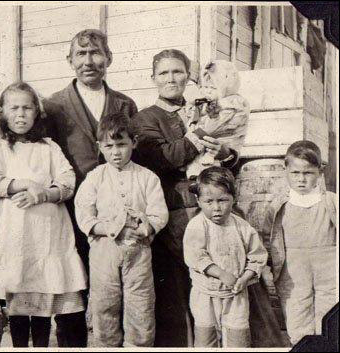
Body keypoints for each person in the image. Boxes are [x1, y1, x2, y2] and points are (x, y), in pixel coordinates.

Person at [133, 49, 239, 347]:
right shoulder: (145, 119)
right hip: (175, 216)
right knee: (181, 296)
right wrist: (202, 132)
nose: (171, 79)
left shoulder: (205, 108)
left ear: (188, 75)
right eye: (164, 73)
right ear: (153, 78)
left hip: (216, 211)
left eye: (178, 71)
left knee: (224, 284)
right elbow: (166, 158)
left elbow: (229, 154)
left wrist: (226, 154)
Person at [43, 28, 138, 347]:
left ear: (108, 58)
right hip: (70, 211)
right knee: (72, 287)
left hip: (117, 212)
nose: (89, 60)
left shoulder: (124, 104)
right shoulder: (54, 105)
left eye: (96, 53)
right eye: (81, 54)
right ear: (69, 60)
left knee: (118, 285)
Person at [0, 82, 87, 347]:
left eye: (27, 108)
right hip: (16, 231)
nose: (21, 114)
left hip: (47, 232)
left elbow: (68, 181)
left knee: (43, 297)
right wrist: (22, 184)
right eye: (14, 108)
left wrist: (42, 194)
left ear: (36, 113)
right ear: (2, 112)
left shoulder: (48, 148)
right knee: (19, 299)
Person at [74, 112, 168, 346]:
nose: (116, 152)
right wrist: (109, 228)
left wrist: (149, 226)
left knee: (141, 304)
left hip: (138, 250)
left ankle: (139, 345)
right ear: (100, 147)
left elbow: (159, 212)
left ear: (134, 143)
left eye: (122, 145)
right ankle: (106, 345)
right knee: (105, 304)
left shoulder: (147, 178)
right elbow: (84, 215)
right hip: (104, 250)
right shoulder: (95, 178)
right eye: (109, 146)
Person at [262, 140, 337, 345]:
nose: (301, 179)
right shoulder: (278, 206)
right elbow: (267, 237)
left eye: (308, 173)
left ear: (319, 173)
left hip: (329, 268)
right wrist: (268, 266)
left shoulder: (331, 202)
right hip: (293, 270)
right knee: (297, 315)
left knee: (330, 315)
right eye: (295, 173)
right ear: (285, 171)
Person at [184, 166, 267, 347]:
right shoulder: (196, 226)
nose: (216, 208)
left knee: (238, 339)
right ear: (198, 200)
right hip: (205, 294)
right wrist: (221, 274)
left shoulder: (242, 227)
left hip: (236, 294)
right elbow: (196, 256)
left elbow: (257, 256)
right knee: (206, 338)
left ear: (234, 199)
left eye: (222, 200)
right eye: (209, 201)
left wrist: (244, 278)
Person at [186, 60, 250, 178]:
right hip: (209, 143)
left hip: (224, 146)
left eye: (213, 88)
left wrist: (193, 129)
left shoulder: (232, 105)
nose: (208, 91)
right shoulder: (209, 102)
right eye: (205, 87)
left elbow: (211, 128)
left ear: (225, 87)